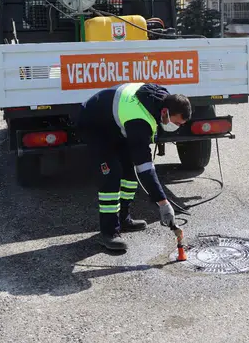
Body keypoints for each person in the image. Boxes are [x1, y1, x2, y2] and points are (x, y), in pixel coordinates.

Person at [77, 82, 192, 251]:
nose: (177, 127)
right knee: (111, 176)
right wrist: (163, 203)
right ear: (165, 112)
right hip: (94, 125)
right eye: (176, 122)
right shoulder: (139, 120)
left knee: (130, 174)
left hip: (116, 124)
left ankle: (124, 219)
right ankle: (109, 233)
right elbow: (145, 168)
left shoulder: (163, 98)